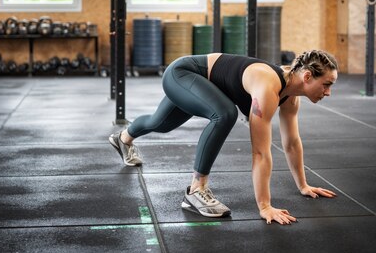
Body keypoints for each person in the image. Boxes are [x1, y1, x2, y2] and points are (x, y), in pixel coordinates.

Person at [109, 50, 338, 225]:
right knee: (225, 114)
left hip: (203, 84)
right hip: (184, 73)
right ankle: (196, 191)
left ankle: (124, 138)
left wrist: (303, 185)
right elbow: (260, 151)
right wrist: (265, 206)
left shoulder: (290, 97)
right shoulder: (268, 87)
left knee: (160, 123)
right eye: (326, 84)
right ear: (307, 76)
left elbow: (291, 143)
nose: (328, 92)